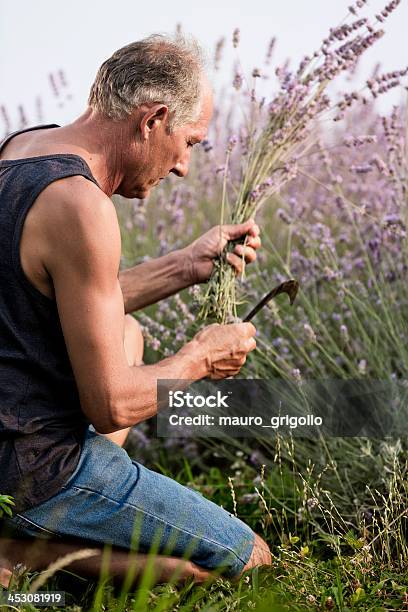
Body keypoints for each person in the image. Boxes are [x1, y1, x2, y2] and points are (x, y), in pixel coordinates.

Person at [0, 33, 271, 584]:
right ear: (154, 120)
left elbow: (47, 299)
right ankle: (21, 556)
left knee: (126, 333)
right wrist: (200, 358)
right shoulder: (81, 205)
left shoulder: (21, 148)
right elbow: (112, 407)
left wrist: (187, 264)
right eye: (190, 142)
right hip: (34, 466)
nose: (184, 168)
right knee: (244, 562)